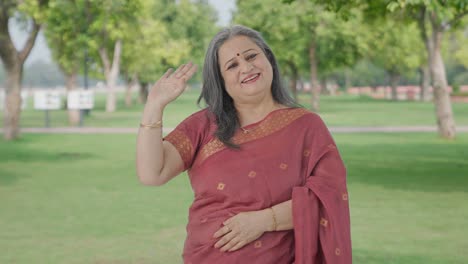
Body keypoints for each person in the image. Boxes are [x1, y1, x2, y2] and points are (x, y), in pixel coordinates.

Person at [136, 25, 352, 264]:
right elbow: (152, 174)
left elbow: (328, 199)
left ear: (268, 58)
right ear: (221, 80)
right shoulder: (203, 126)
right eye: (232, 65)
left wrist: (264, 221)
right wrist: (154, 106)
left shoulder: (307, 127)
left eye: (252, 56)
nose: (246, 68)